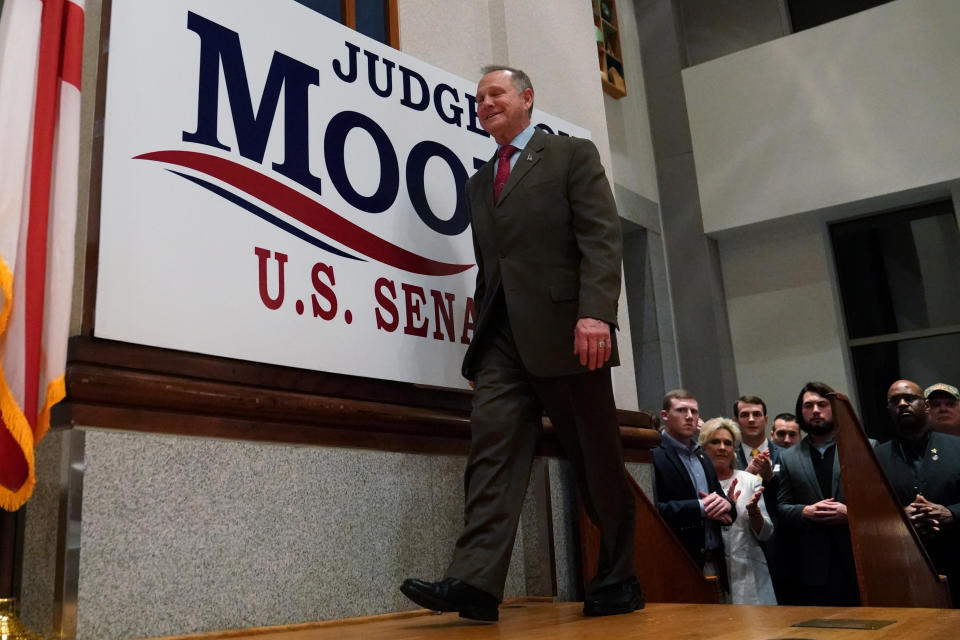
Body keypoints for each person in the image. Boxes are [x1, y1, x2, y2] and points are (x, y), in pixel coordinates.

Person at [401, 66, 640, 622]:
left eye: (495, 94)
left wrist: (595, 314)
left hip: (571, 334)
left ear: (527, 98)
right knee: (491, 455)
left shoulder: (571, 156)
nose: (484, 103)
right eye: (478, 98)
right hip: (502, 343)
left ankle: (619, 577)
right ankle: (476, 584)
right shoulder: (480, 183)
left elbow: (601, 240)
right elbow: (492, 271)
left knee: (595, 459)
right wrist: (477, 345)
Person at [875, 379, 960, 607]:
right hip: (905, 567)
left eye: (910, 398)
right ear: (889, 410)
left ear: (926, 406)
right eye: (895, 401)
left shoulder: (956, 447)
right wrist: (899, 518)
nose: (902, 404)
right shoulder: (877, 456)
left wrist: (951, 513)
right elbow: (871, 510)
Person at [776, 381, 860, 606]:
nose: (815, 410)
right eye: (808, 406)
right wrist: (805, 511)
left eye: (822, 404)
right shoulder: (788, 457)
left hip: (859, 560)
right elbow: (782, 507)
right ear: (800, 413)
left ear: (834, 408)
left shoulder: (864, 448)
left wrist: (850, 513)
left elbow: (882, 506)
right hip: (813, 567)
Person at [653, 390, 736, 588]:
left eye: (694, 411)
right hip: (677, 562)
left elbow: (724, 502)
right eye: (682, 410)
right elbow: (653, 510)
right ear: (665, 415)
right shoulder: (653, 454)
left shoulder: (703, 456)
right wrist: (700, 507)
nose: (690, 417)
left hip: (714, 561)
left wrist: (727, 504)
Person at [699, 418, 776, 604]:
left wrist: (755, 514)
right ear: (703, 447)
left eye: (728, 443)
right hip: (711, 572)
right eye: (715, 442)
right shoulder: (698, 481)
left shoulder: (749, 480)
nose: (722, 447)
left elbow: (766, 533)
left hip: (750, 575)